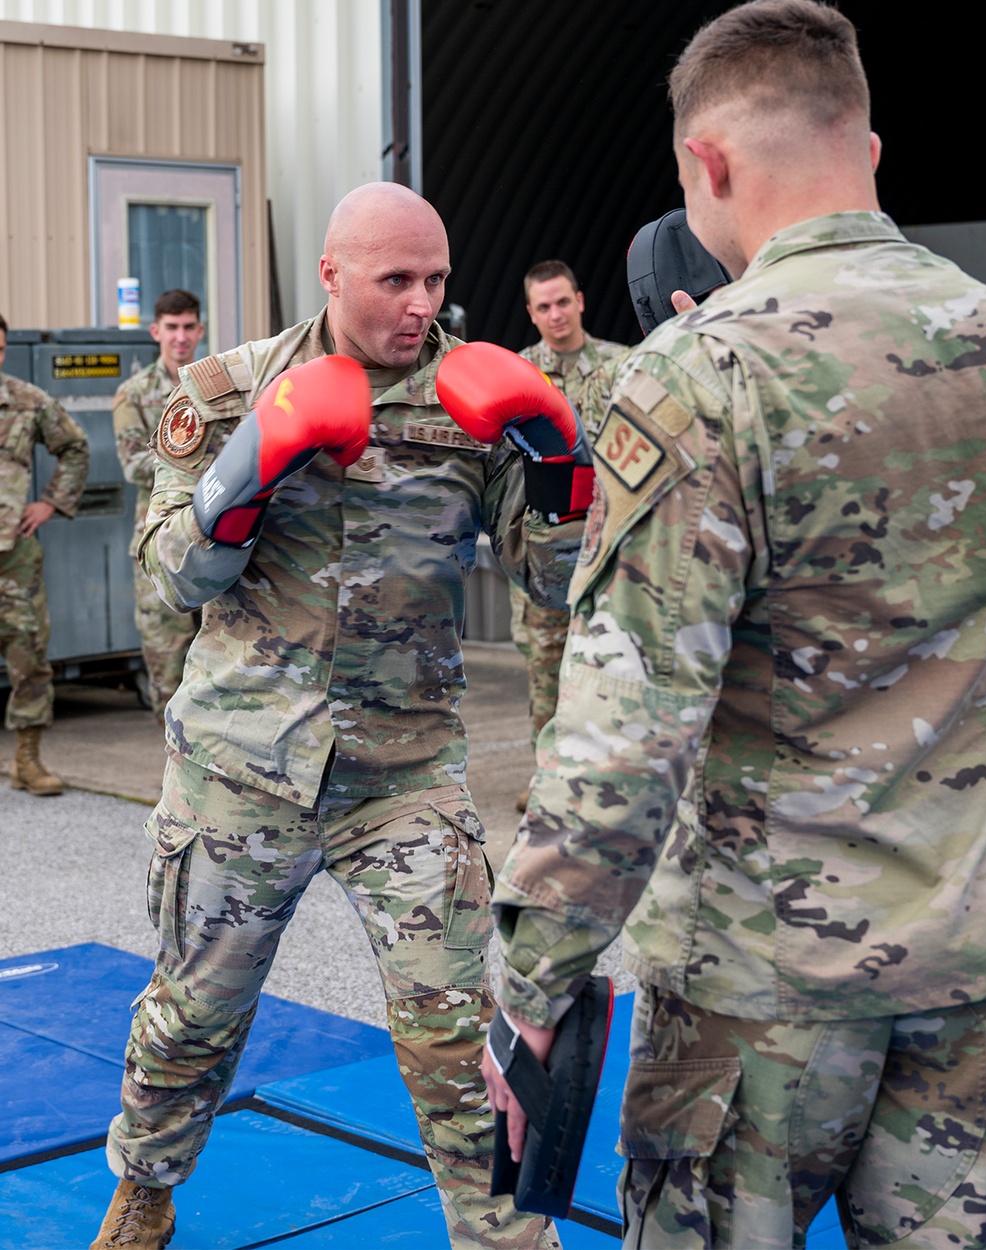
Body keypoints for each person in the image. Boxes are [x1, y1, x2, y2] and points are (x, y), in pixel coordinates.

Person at [483, 3, 986, 1248]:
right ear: (866, 150)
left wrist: (531, 984)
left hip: (760, 994)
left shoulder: (699, 372)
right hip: (975, 973)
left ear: (704, 168)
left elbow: (625, 740)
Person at [90, 182, 588, 1250]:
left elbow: (554, 584)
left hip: (402, 770)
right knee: (190, 1017)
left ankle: (505, 1237)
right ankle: (146, 1185)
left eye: (437, 280)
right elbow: (174, 574)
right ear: (330, 275)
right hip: (242, 766)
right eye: (394, 280)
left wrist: (558, 464)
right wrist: (250, 463)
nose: (421, 303)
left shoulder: (474, 395)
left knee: (459, 1038)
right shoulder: (227, 389)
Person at [511, 261, 627, 811]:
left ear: (580, 300)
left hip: (609, 550)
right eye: (543, 306)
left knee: (614, 670)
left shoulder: (624, 366)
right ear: (531, 313)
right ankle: (549, 783)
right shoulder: (515, 375)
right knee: (545, 673)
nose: (555, 315)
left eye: (563, 302)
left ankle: (606, 779)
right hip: (547, 551)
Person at [0, 313, 89, 796]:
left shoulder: (27, 401)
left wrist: (50, 502)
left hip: (14, 556)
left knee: (28, 654)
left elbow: (75, 447)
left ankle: (27, 760)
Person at [112, 290, 205, 720]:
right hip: (159, 544)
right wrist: (201, 457)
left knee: (219, 665)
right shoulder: (132, 394)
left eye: (188, 327)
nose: (180, 337)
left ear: (199, 330)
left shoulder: (219, 388)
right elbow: (133, 466)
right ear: (156, 332)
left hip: (215, 539)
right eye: (172, 328)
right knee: (166, 668)